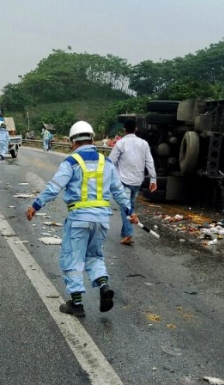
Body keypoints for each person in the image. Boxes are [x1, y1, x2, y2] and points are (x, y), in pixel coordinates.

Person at [26, 121, 136, 317]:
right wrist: (129, 211)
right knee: (94, 256)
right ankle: (103, 286)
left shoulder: (71, 161)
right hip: (102, 219)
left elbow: (54, 187)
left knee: (73, 259)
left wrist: (35, 206)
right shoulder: (106, 162)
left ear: (72, 142)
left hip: (79, 219)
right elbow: (119, 192)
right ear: (92, 140)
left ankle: (76, 304)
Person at [108, 119, 158, 245]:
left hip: (124, 181)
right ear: (136, 128)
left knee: (126, 207)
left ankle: (129, 233)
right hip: (137, 182)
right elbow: (149, 162)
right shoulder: (144, 143)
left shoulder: (120, 144)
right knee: (130, 206)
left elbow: (110, 162)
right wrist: (153, 179)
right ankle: (125, 232)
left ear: (124, 130)